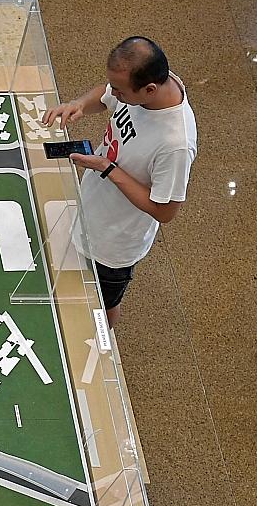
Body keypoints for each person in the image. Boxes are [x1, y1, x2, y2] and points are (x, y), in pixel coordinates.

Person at [45, 36, 198, 328]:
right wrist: (78, 104)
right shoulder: (153, 86)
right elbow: (105, 95)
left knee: (105, 302)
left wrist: (106, 167)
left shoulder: (175, 145)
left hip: (115, 242)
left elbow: (165, 211)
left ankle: (102, 351)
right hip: (94, 207)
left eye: (119, 89)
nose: (112, 93)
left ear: (149, 90)